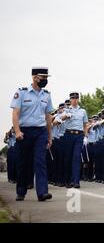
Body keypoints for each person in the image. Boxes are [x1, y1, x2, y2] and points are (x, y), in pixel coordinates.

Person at [10, 67, 53, 202]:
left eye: (46, 78)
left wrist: (49, 136)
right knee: (24, 163)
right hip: (25, 131)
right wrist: (17, 131)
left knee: (40, 161)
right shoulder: (21, 93)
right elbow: (15, 113)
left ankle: (42, 192)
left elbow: (48, 117)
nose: (45, 80)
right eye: (43, 78)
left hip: (40, 132)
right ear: (34, 77)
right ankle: (21, 191)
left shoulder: (46, 95)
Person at [59, 92, 88, 188]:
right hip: (68, 135)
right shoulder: (66, 110)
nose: (74, 100)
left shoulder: (83, 111)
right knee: (68, 158)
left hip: (79, 135)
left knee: (76, 158)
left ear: (78, 99)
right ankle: (67, 180)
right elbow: (61, 118)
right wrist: (66, 115)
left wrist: (85, 136)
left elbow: (85, 125)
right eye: (73, 98)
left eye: (76, 98)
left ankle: (76, 181)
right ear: (70, 100)